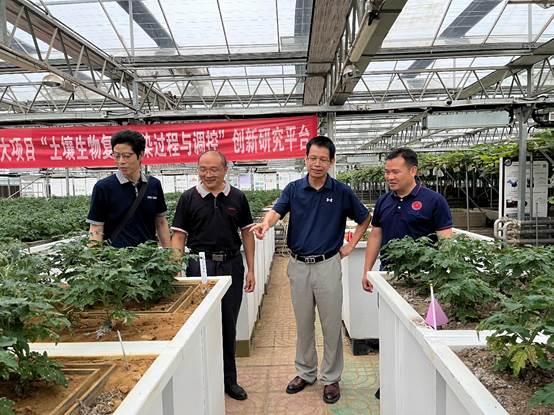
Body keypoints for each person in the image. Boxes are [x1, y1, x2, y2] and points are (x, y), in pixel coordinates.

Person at [251, 136, 371, 404]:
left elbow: (365, 218)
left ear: (331, 162)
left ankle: (331, 378)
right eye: (313, 158)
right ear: (305, 159)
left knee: (331, 324)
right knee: (304, 323)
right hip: (298, 266)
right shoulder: (294, 189)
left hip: (328, 264)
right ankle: (305, 372)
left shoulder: (341, 192)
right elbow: (277, 211)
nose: (317, 163)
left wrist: (350, 246)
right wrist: (266, 224)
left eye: (323, 159)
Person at [361, 147, 453, 400]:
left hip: (423, 280)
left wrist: (446, 275)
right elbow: (376, 235)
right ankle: (390, 380)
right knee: (389, 331)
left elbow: (446, 241)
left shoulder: (434, 201)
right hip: (389, 277)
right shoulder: (383, 201)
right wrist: (367, 270)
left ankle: (419, 383)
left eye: (395, 172)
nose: (390, 177)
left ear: (413, 170)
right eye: (386, 172)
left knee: (421, 332)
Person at [170, 150, 255, 401]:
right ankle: (202, 379)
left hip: (231, 264)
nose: (208, 174)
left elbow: (247, 233)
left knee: (228, 323)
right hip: (200, 265)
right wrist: (176, 270)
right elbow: (178, 236)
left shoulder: (237, 197)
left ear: (225, 170)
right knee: (200, 323)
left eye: (213, 169)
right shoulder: (188, 198)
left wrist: (251, 269)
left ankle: (229, 380)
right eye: (203, 169)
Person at [87, 129, 170, 248]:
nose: (121, 161)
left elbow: (161, 222)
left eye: (127, 156)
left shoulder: (153, 184)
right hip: (116, 257)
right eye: (117, 156)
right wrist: (95, 257)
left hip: (148, 255)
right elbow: (96, 228)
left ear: (140, 155)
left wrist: (169, 254)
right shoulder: (103, 187)